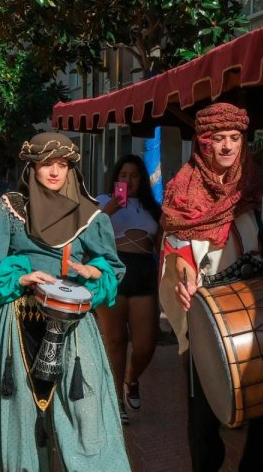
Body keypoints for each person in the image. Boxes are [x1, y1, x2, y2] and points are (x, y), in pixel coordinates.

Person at [0, 132, 130, 472]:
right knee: (21, 419)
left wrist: (93, 272)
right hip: (18, 323)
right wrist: (21, 277)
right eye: (46, 164)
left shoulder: (92, 216)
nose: (55, 172)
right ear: (32, 168)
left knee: (87, 418)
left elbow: (112, 271)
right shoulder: (7, 209)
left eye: (62, 165)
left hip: (74, 327)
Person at [158, 102, 263, 472]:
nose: (227, 147)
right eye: (218, 139)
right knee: (204, 412)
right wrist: (183, 280)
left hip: (257, 301)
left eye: (234, 138)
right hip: (207, 306)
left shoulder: (260, 185)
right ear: (202, 142)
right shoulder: (182, 190)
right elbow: (176, 245)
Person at [94, 154, 163, 424]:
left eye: (134, 176)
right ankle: (116, 401)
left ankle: (131, 379)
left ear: (142, 180)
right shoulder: (102, 201)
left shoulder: (152, 207)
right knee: (116, 341)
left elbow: (159, 245)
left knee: (146, 344)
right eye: (123, 175)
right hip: (113, 270)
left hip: (143, 270)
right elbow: (89, 233)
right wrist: (110, 207)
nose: (129, 180)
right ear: (115, 178)